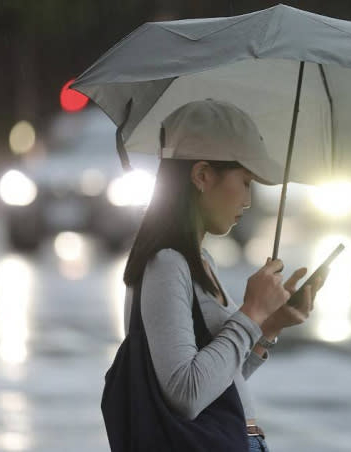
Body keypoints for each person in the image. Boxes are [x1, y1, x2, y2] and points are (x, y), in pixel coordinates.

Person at [116, 99, 327, 452]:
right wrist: (251, 313)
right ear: (201, 175)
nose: (248, 200)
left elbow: (219, 382)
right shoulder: (167, 263)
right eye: (245, 182)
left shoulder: (200, 260)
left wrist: (268, 327)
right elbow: (186, 393)